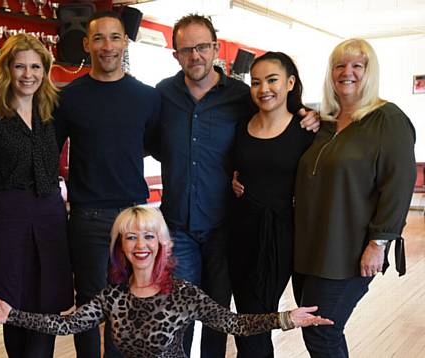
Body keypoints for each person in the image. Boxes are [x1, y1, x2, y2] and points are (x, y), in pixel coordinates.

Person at [149, 14, 319, 356]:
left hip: (224, 226)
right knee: (174, 314)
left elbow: (272, 121)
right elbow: (150, 143)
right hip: (177, 226)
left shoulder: (242, 96)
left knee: (219, 315)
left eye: (202, 47)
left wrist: (307, 114)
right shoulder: (162, 95)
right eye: (186, 49)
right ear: (175, 55)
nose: (195, 55)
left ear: (214, 48)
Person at [0, 206, 334, 357]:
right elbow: (66, 323)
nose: (140, 245)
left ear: (162, 243)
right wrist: (12, 316)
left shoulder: (184, 294)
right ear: (120, 247)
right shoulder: (111, 296)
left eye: (148, 237)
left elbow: (234, 324)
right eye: (130, 238)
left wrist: (286, 319)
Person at [293, 38, 416, 357]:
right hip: (309, 248)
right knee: (315, 330)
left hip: (348, 251)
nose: (347, 72)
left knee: (323, 333)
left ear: (370, 71)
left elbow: (399, 184)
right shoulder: (325, 122)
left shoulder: (387, 119)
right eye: (339, 65)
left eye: (357, 65)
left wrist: (379, 243)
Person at [53, 10, 160, 357]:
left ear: (125, 42)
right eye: (98, 38)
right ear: (86, 44)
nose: (107, 46)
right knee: (88, 305)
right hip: (87, 217)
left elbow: (154, 145)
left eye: (115, 37)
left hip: (133, 216)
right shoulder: (69, 97)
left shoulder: (146, 97)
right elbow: (49, 150)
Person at [0, 33, 73, 357]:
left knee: (47, 309)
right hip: (9, 220)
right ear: (7, 69)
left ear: (45, 71)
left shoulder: (54, 115)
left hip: (50, 220)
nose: (28, 74)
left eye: (35, 66)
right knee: (12, 307)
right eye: (20, 66)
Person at [229, 52, 314, 357]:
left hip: (278, 237)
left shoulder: (306, 130)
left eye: (272, 80)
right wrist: (231, 181)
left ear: (290, 83)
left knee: (256, 315)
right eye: (255, 82)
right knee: (245, 318)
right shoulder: (241, 126)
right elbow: (231, 168)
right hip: (239, 234)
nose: (263, 88)